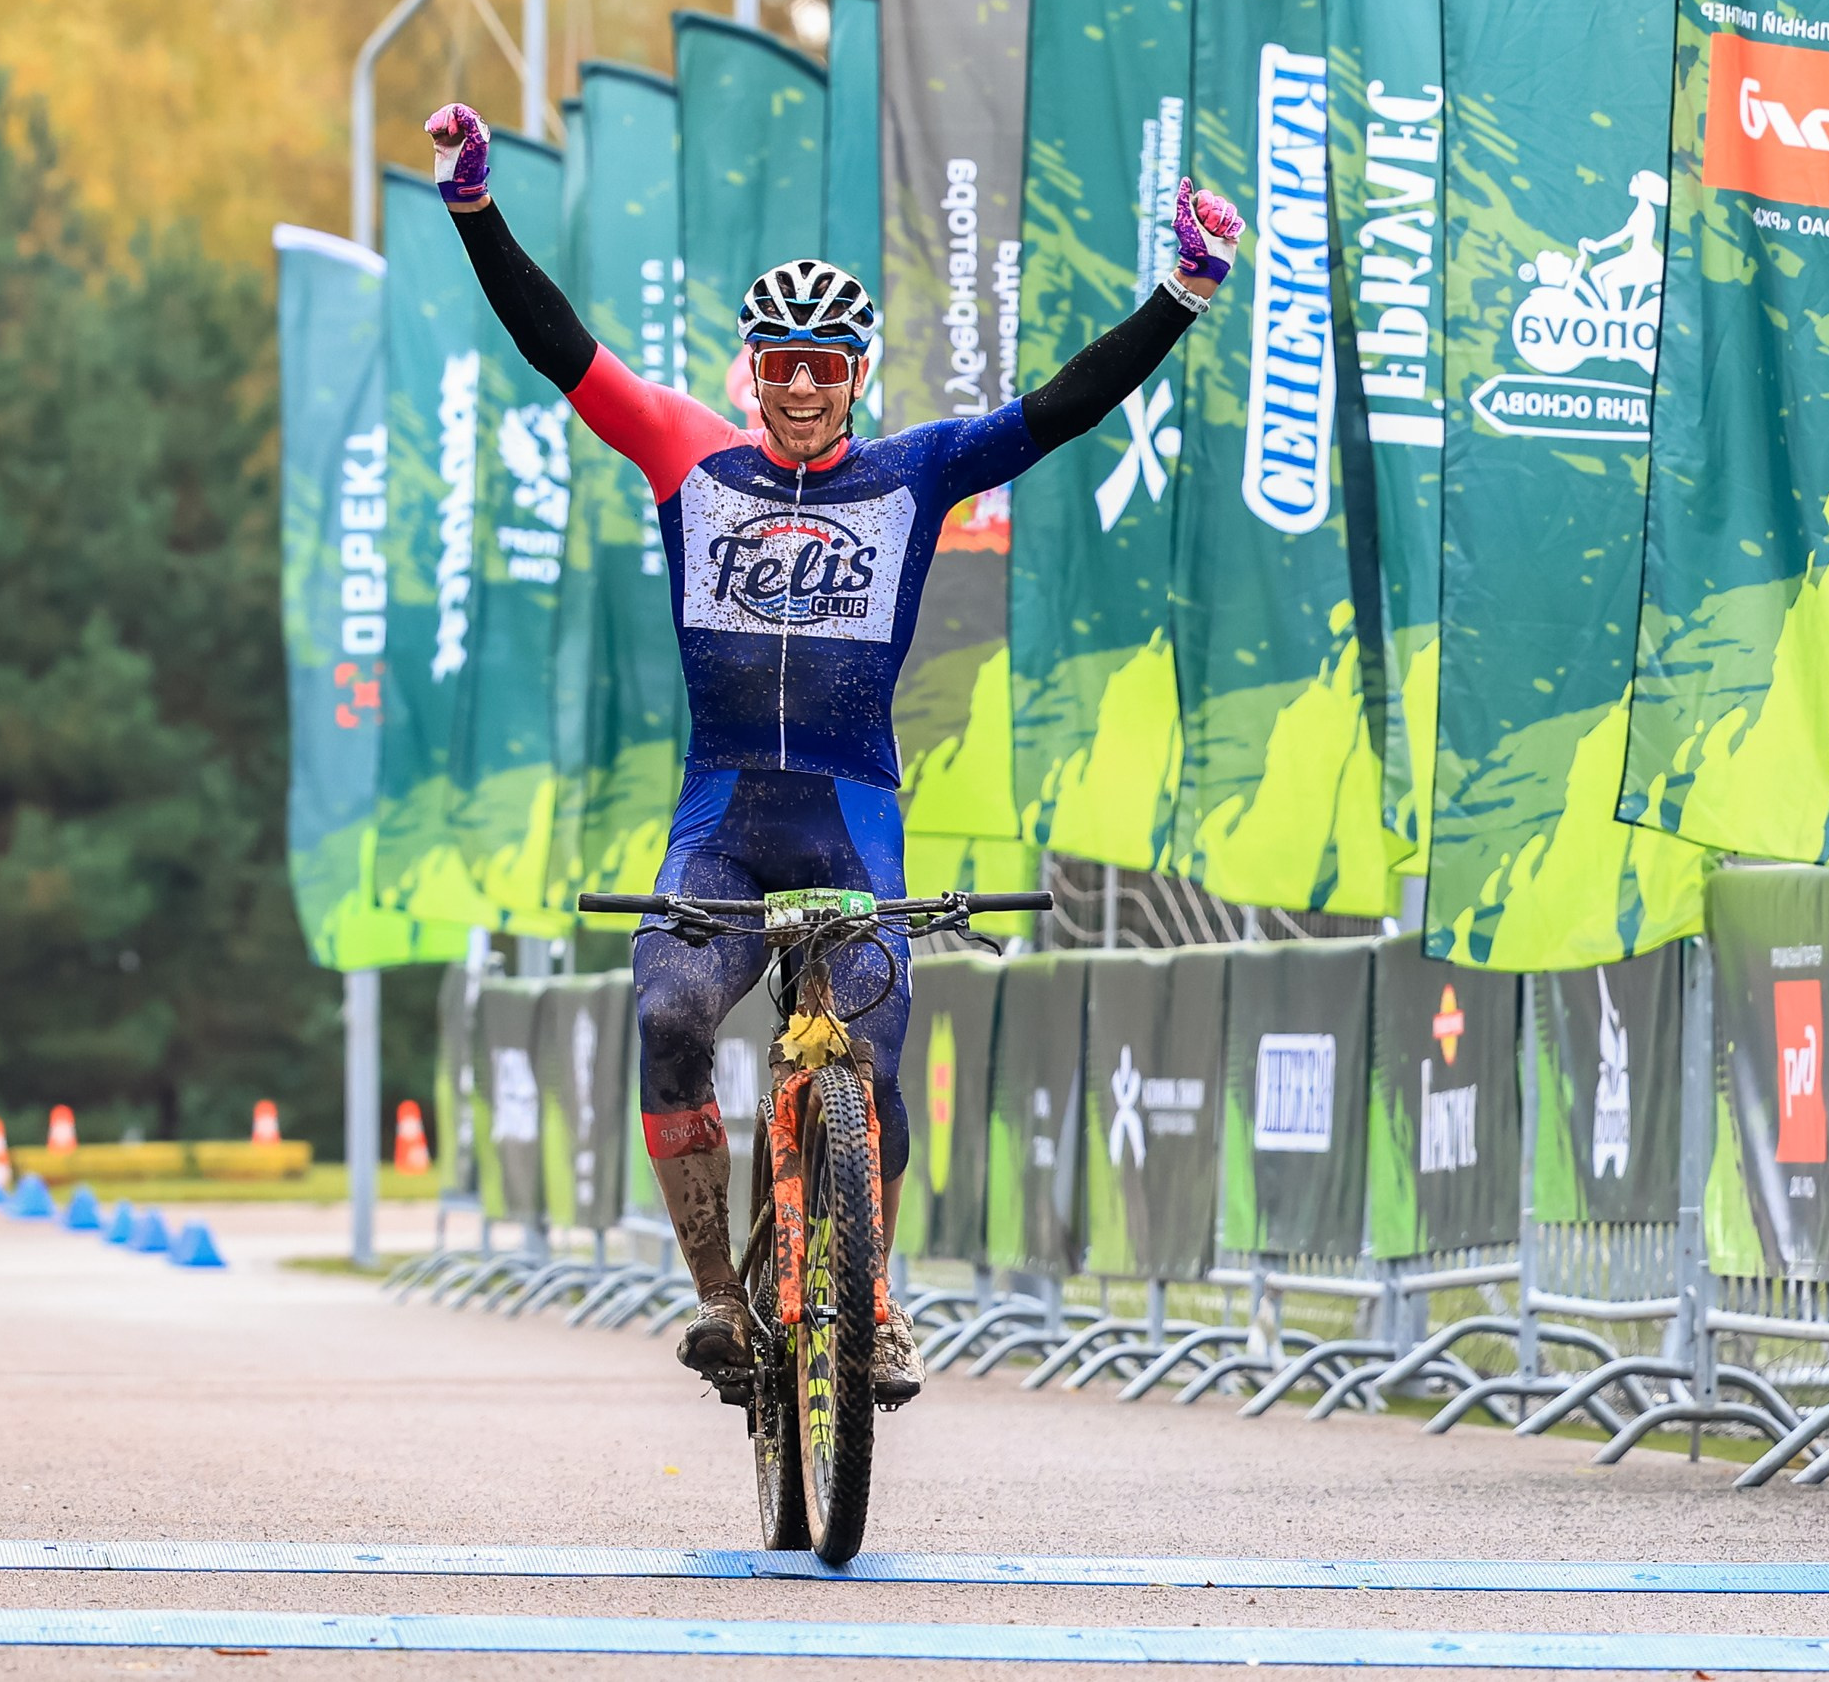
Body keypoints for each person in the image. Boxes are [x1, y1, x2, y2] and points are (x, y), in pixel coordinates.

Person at [426, 101, 1241, 1406]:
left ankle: (871, 1296)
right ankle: (712, 1297)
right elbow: (560, 347)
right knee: (672, 1016)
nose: (803, 384)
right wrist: (476, 209)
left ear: (858, 372)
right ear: (751, 369)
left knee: (861, 1055)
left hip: (852, 820)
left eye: (827, 364)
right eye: (781, 363)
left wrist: (1183, 296)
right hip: (724, 822)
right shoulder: (688, 457)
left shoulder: (917, 475)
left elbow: (1062, 410)